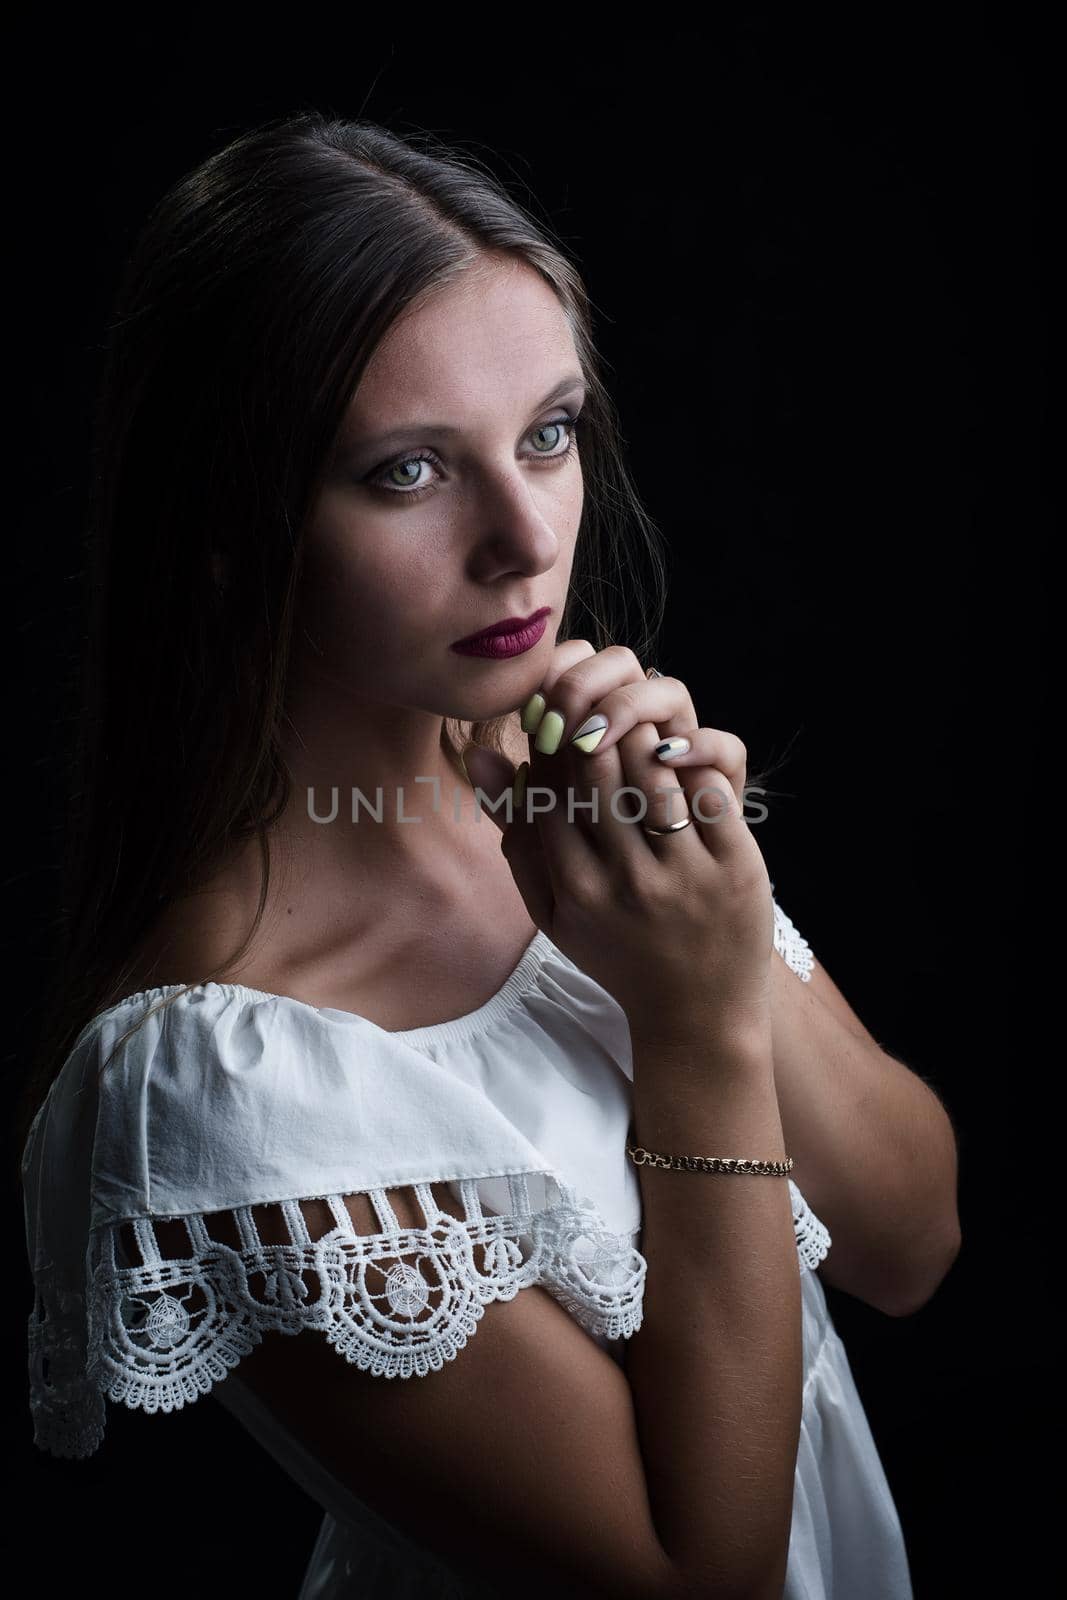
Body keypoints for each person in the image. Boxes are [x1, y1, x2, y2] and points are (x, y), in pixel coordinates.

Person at [17, 112, 960, 1598]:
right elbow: (696, 1578)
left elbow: (911, 1241)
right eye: (407, 472)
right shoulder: (219, 1071)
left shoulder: (564, 782)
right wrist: (696, 1013)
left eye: (549, 432)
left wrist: (711, 917)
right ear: (225, 521)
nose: (526, 536)